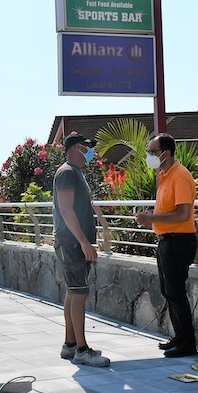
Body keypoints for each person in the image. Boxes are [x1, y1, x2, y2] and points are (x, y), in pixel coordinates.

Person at [135, 133, 198, 358]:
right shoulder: (164, 175)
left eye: (153, 152)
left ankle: (187, 343)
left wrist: (151, 219)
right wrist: (151, 216)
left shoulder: (180, 176)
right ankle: (180, 337)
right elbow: (167, 211)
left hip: (179, 241)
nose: (150, 156)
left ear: (166, 153)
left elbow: (182, 214)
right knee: (169, 291)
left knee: (176, 292)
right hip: (167, 241)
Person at [53, 133, 110, 367]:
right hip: (72, 243)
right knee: (79, 293)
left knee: (73, 291)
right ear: (77, 148)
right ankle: (82, 350)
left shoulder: (75, 172)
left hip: (74, 242)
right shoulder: (67, 172)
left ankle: (70, 345)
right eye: (87, 147)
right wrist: (84, 242)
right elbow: (66, 210)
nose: (91, 151)